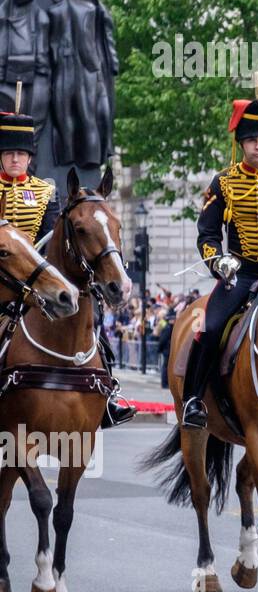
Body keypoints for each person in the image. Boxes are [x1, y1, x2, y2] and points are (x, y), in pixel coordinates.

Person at [0, 112, 137, 427]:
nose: (16, 159)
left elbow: (53, 240)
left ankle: (108, 394)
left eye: (21, 153)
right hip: (3, 278)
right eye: (9, 153)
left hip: (35, 278)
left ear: (30, 157)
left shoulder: (46, 194)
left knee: (91, 327)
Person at [180, 99, 258, 428]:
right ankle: (193, 399)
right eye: (252, 140)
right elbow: (207, 234)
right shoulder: (223, 183)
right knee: (209, 328)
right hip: (240, 272)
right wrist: (218, 261)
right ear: (242, 143)